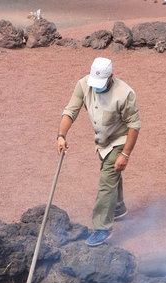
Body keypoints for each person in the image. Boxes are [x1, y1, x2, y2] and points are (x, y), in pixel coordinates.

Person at [57, 57, 141, 246]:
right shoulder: (84, 84)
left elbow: (134, 126)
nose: (96, 87)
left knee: (107, 180)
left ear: (111, 76)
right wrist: (61, 135)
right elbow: (71, 110)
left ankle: (102, 228)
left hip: (120, 139)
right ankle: (118, 208)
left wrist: (125, 154)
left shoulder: (125, 93)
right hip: (103, 141)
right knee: (111, 173)